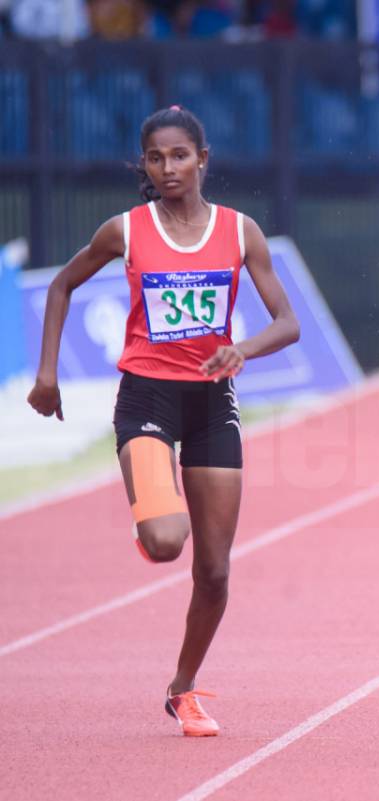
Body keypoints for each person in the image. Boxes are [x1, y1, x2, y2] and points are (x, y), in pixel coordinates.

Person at [27, 106, 300, 736]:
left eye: (180, 155)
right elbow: (62, 285)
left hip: (212, 403)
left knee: (214, 569)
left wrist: (242, 348)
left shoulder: (240, 232)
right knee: (166, 541)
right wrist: (48, 374)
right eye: (156, 157)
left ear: (203, 159)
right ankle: (149, 518)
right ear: (144, 165)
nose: (168, 167)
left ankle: (184, 687)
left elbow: (287, 322)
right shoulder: (126, 228)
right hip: (147, 396)